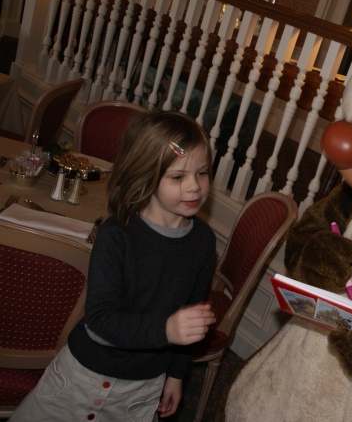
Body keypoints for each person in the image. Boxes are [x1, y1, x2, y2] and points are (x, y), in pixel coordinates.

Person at [10, 111, 217, 421]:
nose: (195, 187)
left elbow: (191, 312)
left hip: (143, 389)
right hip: (80, 379)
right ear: (146, 174)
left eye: (202, 173)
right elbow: (99, 322)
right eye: (178, 177)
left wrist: (176, 374)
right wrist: (167, 329)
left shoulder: (203, 241)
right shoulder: (117, 234)